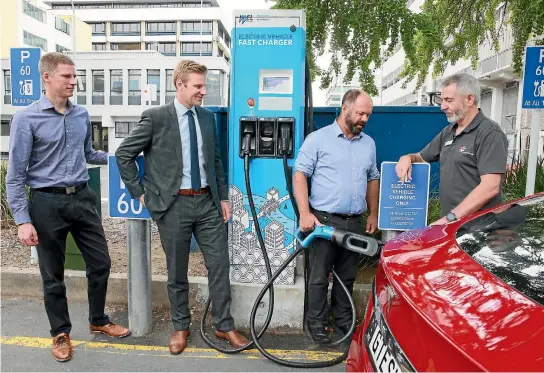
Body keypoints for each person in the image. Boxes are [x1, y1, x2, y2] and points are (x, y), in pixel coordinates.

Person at [115, 60, 248, 355]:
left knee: (220, 264)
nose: (203, 92)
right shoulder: (156, 118)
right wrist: (140, 193)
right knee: (177, 271)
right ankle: (181, 326)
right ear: (180, 85)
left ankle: (223, 325)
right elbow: (123, 154)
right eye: (198, 86)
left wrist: (223, 198)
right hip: (173, 206)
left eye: (204, 86)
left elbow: (215, 162)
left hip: (207, 203)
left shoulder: (207, 118)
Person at [6, 52, 130, 363]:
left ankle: (98, 320)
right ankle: (60, 333)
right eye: (66, 76)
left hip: (83, 197)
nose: (73, 82)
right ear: (46, 77)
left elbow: (89, 152)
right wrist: (22, 220)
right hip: (46, 202)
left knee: (100, 263)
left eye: (75, 76)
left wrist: (121, 158)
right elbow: (15, 174)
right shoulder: (26, 118)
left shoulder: (81, 115)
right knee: (53, 274)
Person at [293, 89, 380, 343]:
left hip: (354, 221)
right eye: (360, 113)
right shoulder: (318, 139)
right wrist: (305, 213)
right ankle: (316, 324)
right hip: (323, 221)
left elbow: (372, 177)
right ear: (345, 108)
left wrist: (372, 212)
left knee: (347, 276)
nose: (364, 119)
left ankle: (343, 321)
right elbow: (300, 173)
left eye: (368, 115)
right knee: (318, 277)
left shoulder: (369, 144)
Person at [396, 73, 509, 225]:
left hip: (481, 229)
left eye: (448, 100)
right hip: (453, 227)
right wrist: (407, 158)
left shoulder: (489, 133)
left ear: (469, 99)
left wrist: (450, 218)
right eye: (442, 100)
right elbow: (421, 157)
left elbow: (491, 186)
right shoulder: (448, 132)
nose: (442, 106)